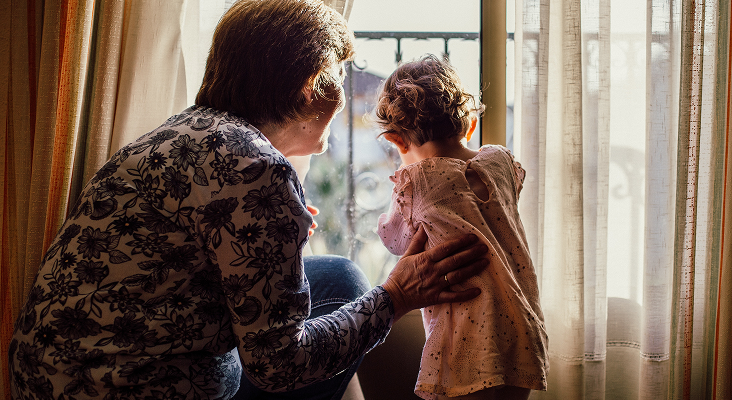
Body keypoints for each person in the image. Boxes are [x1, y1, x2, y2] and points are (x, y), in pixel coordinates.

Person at [7, 3, 490, 400]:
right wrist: (397, 296)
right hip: (137, 390)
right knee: (353, 294)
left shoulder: (179, 132)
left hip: (51, 377)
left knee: (339, 276)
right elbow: (281, 365)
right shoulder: (257, 169)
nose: (342, 94)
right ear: (308, 87)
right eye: (336, 77)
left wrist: (276, 240)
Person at [374, 55, 549, 400]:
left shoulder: (417, 181)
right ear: (469, 125)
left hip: (466, 339)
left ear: (397, 141)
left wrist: (398, 197)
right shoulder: (499, 161)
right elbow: (514, 187)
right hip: (522, 328)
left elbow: (394, 239)